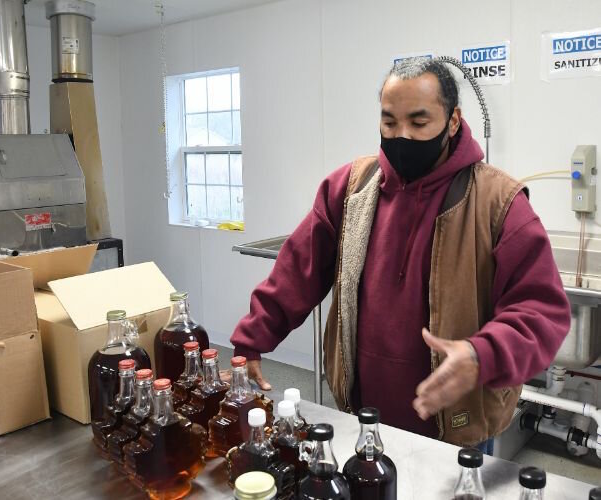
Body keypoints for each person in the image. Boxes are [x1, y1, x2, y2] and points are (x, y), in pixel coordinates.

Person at [229, 57, 570, 448]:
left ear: (453, 120)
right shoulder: (349, 188)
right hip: (361, 414)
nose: (402, 136)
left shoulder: (498, 202)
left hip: (456, 426)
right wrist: (250, 340)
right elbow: (296, 271)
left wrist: (481, 355)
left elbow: (541, 311)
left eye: (419, 123)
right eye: (389, 122)